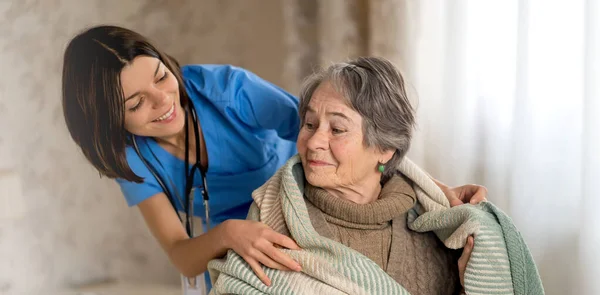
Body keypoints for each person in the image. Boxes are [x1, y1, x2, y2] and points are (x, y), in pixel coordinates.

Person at [61, 25, 486, 290]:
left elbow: (346, 138)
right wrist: (228, 234)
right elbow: (181, 252)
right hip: (238, 244)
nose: (164, 101)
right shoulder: (133, 160)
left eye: (161, 76)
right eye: (136, 103)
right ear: (108, 123)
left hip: (306, 211)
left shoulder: (225, 89)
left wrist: (436, 189)